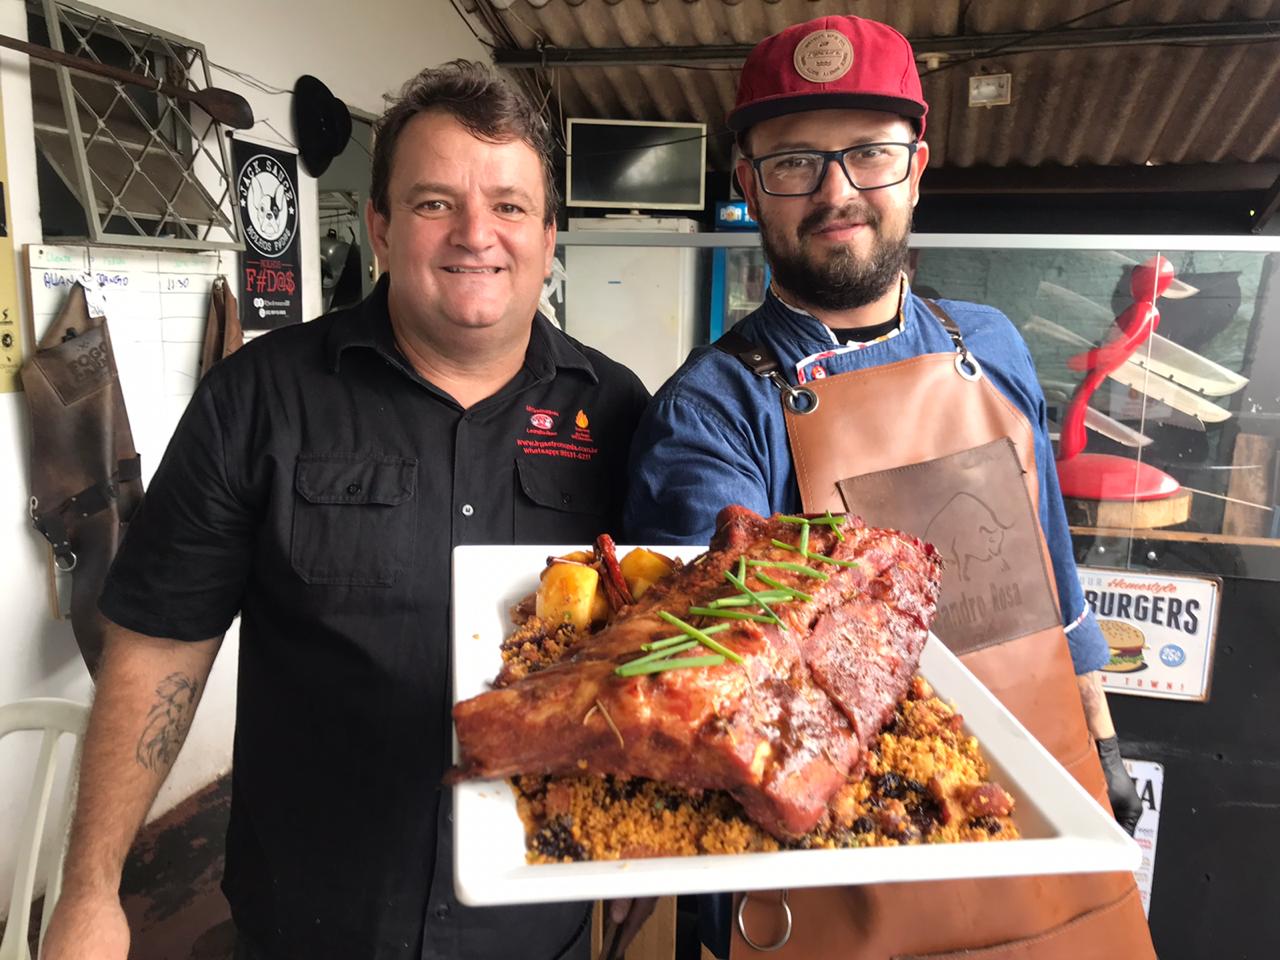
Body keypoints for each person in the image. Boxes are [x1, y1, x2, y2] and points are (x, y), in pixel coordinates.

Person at [42, 61, 649, 960]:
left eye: (511, 207)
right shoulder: (258, 399)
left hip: (535, 916)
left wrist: (648, 853)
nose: (477, 234)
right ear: (380, 225)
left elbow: (650, 650)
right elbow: (163, 639)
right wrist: (91, 888)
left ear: (550, 235)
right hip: (308, 923)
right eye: (436, 202)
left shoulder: (620, 411)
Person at [625, 15, 1155, 959]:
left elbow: (1049, 562)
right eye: (794, 162)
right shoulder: (708, 413)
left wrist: (1101, 739)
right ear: (749, 186)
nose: (837, 193)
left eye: (868, 154)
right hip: (842, 875)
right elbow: (724, 685)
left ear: (916, 165)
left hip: (1044, 828)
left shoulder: (988, 342)